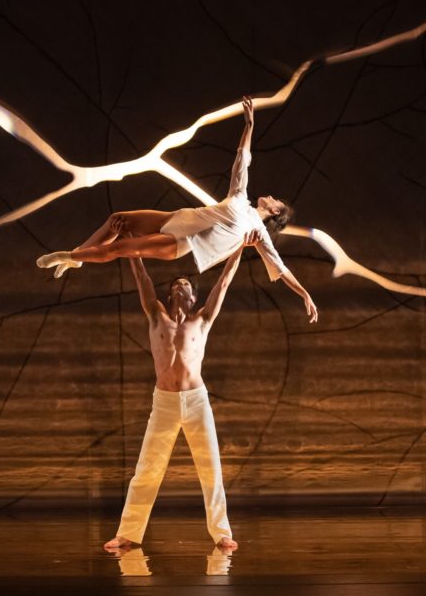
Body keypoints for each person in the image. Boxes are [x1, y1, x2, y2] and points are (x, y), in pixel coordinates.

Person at [38, 95, 318, 323]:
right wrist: (249, 125)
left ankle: (70, 255)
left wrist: (304, 293)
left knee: (120, 248)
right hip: (179, 218)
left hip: (183, 242)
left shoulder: (256, 232)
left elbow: (280, 268)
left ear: (276, 213)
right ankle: (79, 258)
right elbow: (242, 160)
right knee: (117, 220)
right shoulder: (240, 197)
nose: (270, 196)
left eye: (276, 200)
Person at [103, 236, 259, 551]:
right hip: (164, 402)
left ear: (193, 295)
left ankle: (222, 533)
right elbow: (141, 279)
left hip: (196, 400)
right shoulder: (156, 315)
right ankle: (128, 534)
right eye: (176, 283)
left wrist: (240, 248)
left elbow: (225, 282)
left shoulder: (202, 320)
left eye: (186, 284)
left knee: (210, 467)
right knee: (147, 468)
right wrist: (132, 248)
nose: (179, 286)